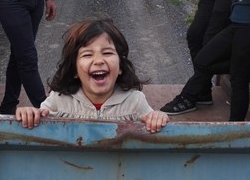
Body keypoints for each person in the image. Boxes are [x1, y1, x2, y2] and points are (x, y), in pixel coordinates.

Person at [14, 19, 169, 133]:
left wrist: (157, 117)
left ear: (121, 66)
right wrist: (30, 113)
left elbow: (153, 122)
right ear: (74, 70)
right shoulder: (59, 99)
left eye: (107, 53)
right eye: (87, 55)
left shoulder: (135, 101)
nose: (99, 61)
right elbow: (38, 118)